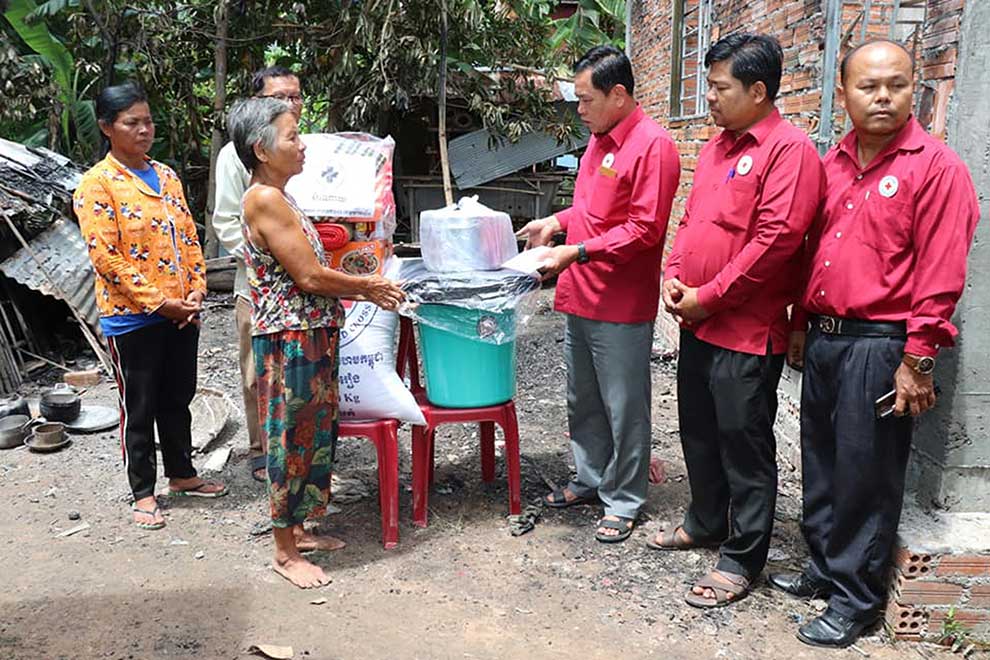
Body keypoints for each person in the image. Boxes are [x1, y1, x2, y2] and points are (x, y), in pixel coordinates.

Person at [771, 40, 979, 647]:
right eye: (868, 86)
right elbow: (812, 252)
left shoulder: (936, 168)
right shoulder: (832, 164)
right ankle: (823, 567)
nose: (883, 96)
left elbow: (941, 273)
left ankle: (856, 599)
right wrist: (800, 322)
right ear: (844, 94)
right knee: (824, 465)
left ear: (916, 89)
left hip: (882, 346)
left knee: (867, 474)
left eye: (896, 84)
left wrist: (917, 360)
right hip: (828, 339)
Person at [654, 34, 825, 609]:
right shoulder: (715, 148)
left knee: (743, 444)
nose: (709, 97)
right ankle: (706, 521)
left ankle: (743, 554)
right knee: (698, 431)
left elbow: (776, 242)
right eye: (708, 84)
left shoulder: (789, 150)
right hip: (697, 323)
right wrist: (675, 278)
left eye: (719, 86)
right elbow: (690, 222)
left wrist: (709, 296)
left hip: (747, 333)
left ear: (757, 90)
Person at [227, 97, 404, 589]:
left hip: (310, 332)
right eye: (291, 137)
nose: (301, 145)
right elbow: (307, 275)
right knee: (290, 438)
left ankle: (299, 530)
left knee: (314, 434)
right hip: (290, 337)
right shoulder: (263, 199)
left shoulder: (282, 196)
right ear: (261, 149)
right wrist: (370, 287)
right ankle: (283, 551)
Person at [517, 45, 680, 543]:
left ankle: (625, 498)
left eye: (586, 99)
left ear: (619, 94)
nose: (580, 109)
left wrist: (576, 252)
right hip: (581, 295)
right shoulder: (598, 140)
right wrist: (555, 222)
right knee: (582, 399)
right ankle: (589, 477)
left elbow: (644, 230)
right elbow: (590, 211)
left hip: (619, 303)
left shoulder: (653, 147)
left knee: (623, 405)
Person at [74, 81, 227, 531]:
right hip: (134, 318)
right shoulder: (96, 185)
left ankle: (182, 474)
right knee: (138, 406)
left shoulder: (167, 176)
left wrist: (196, 291)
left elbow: (189, 240)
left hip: (184, 313)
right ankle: (143, 491)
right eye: (131, 123)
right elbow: (106, 257)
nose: (144, 130)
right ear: (107, 128)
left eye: (147, 121)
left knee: (178, 398)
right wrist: (161, 304)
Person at [213, 66, 304, 483]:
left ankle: (297, 449)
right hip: (259, 280)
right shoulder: (237, 154)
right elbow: (227, 222)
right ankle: (261, 448)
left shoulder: (301, 147)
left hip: (301, 283)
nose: (290, 104)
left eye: (296, 96)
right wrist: (269, 258)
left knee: (297, 374)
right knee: (257, 371)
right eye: (279, 98)